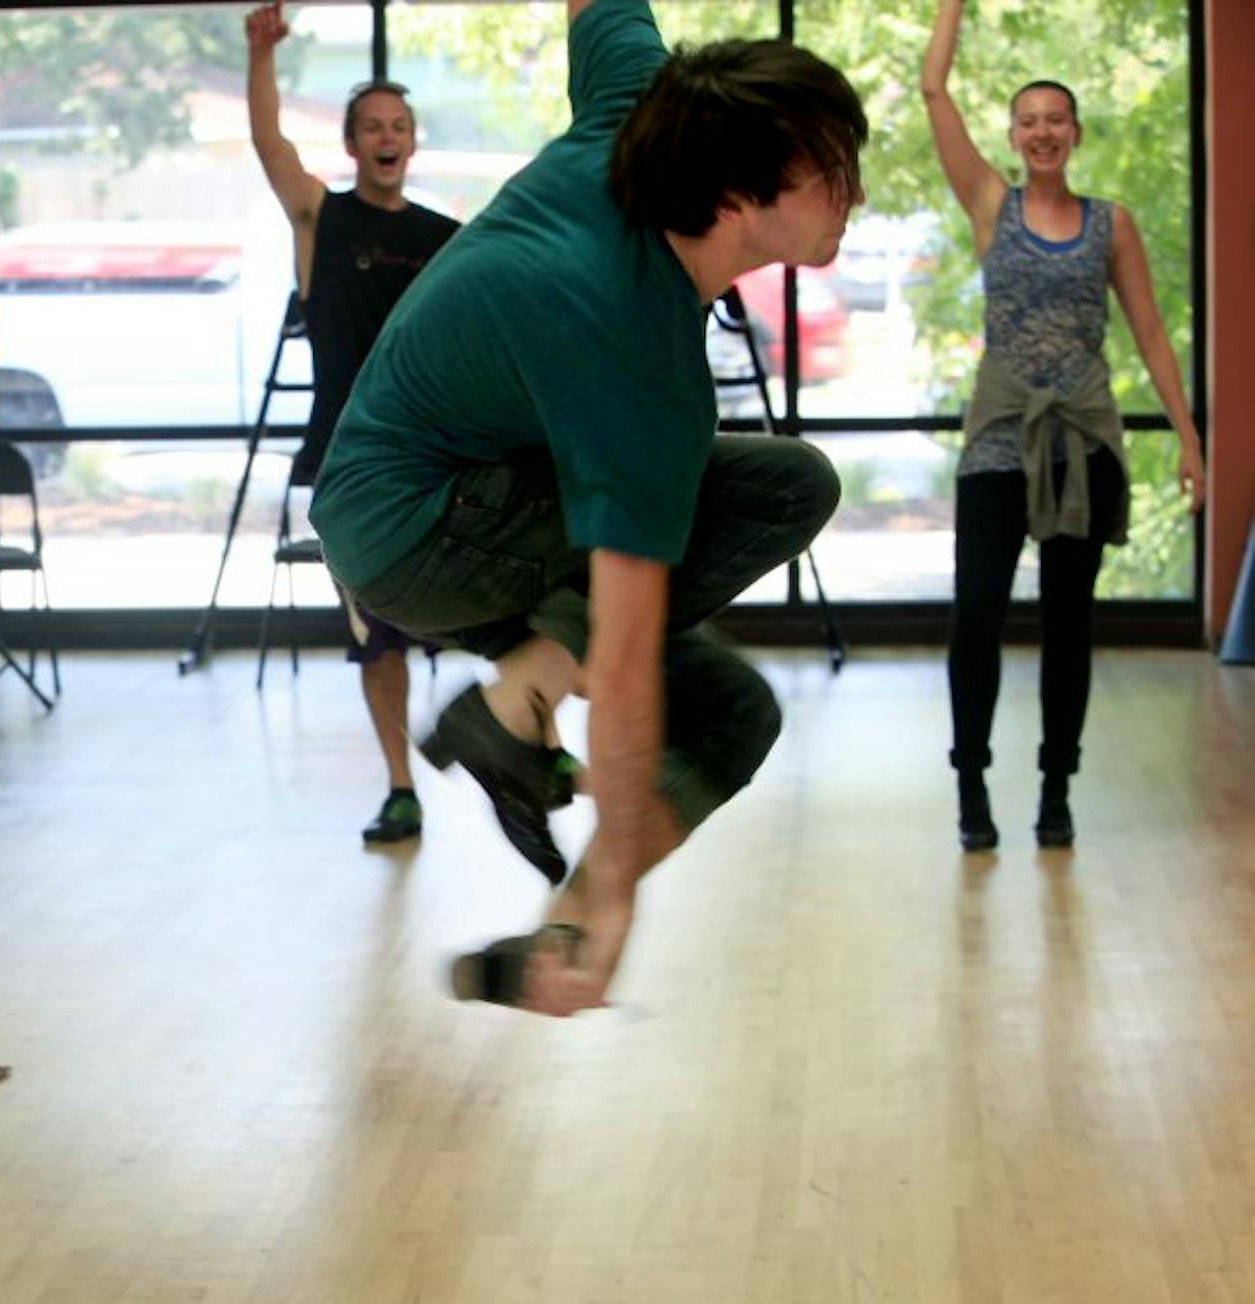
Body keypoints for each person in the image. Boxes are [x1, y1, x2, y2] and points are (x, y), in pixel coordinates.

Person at [311, 0, 863, 1016]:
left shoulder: (647, 105)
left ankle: (555, 942)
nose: (855, 195)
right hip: (415, 523)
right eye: (833, 170)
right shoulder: (637, 367)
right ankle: (519, 707)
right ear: (744, 193)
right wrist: (626, 901)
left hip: (477, 509)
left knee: (735, 704)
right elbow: (620, 651)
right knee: (750, 493)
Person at [922, 0, 1205, 853]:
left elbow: (1150, 332)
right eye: (1028, 121)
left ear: (1074, 133)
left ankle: (1055, 790)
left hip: (1082, 436)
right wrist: (951, 8)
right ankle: (971, 786)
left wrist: (1190, 439)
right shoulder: (987, 204)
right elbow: (934, 90)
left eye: (1056, 120)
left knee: (1068, 621)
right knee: (976, 612)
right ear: (1013, 136)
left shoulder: (1110, 222)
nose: (1042, 132)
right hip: (1001, 432)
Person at [245, 1, 462, 845]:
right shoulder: (321, 220)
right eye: (371, 124)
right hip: (344, 464)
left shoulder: (448, 239)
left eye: (399, 125)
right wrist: (259, 53)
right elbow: (269, 146)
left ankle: (527, 744)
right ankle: (401, 785)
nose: (386, 136)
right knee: (377, 635)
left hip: (433, 459)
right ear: (352, 144)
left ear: (412, 144)